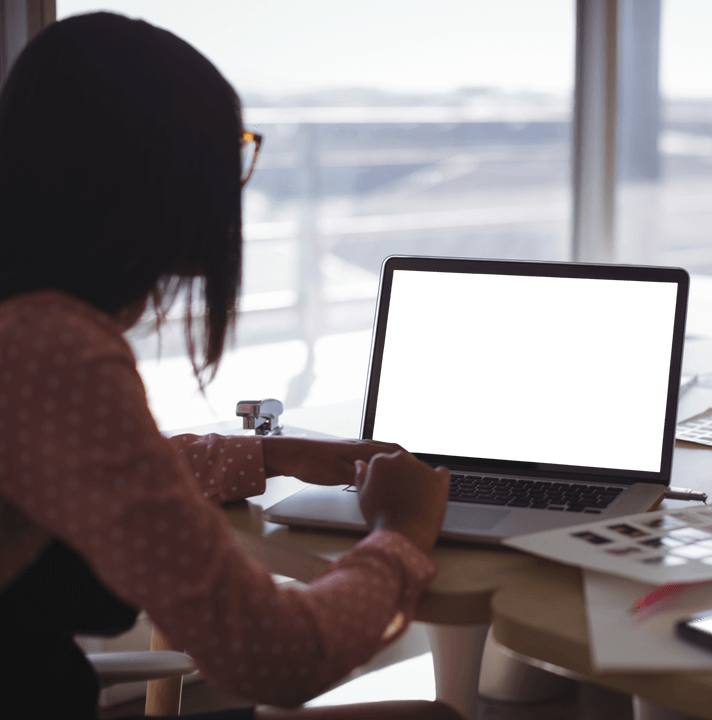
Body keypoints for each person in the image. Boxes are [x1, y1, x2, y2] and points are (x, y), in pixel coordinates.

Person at [0, 12, 459, 720]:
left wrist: (273, 455)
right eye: (230, 152)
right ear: (160, 174)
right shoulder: (51, 347)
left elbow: (103, 470)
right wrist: (401, 533)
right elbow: (276, 656)